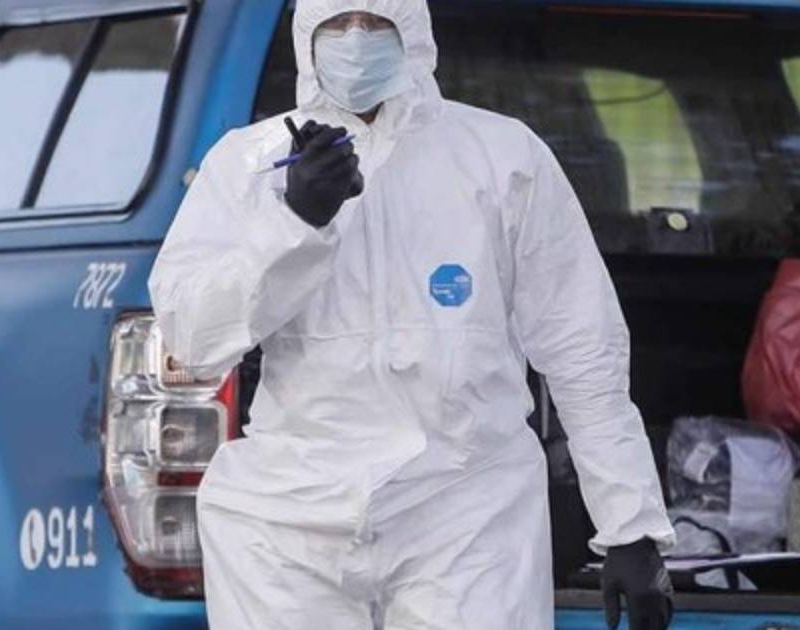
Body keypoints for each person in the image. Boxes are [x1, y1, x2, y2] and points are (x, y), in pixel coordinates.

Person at [148, 0, 676, 628]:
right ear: (307, 35)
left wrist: (631, 526)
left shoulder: (501, 158)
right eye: (338, 23)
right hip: (288, 520)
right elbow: (192, 337)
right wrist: (293, 225)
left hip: (466, 511)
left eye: (376, 22)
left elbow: (583, 346)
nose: (356, 39)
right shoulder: (249, 165)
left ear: (415, 31)